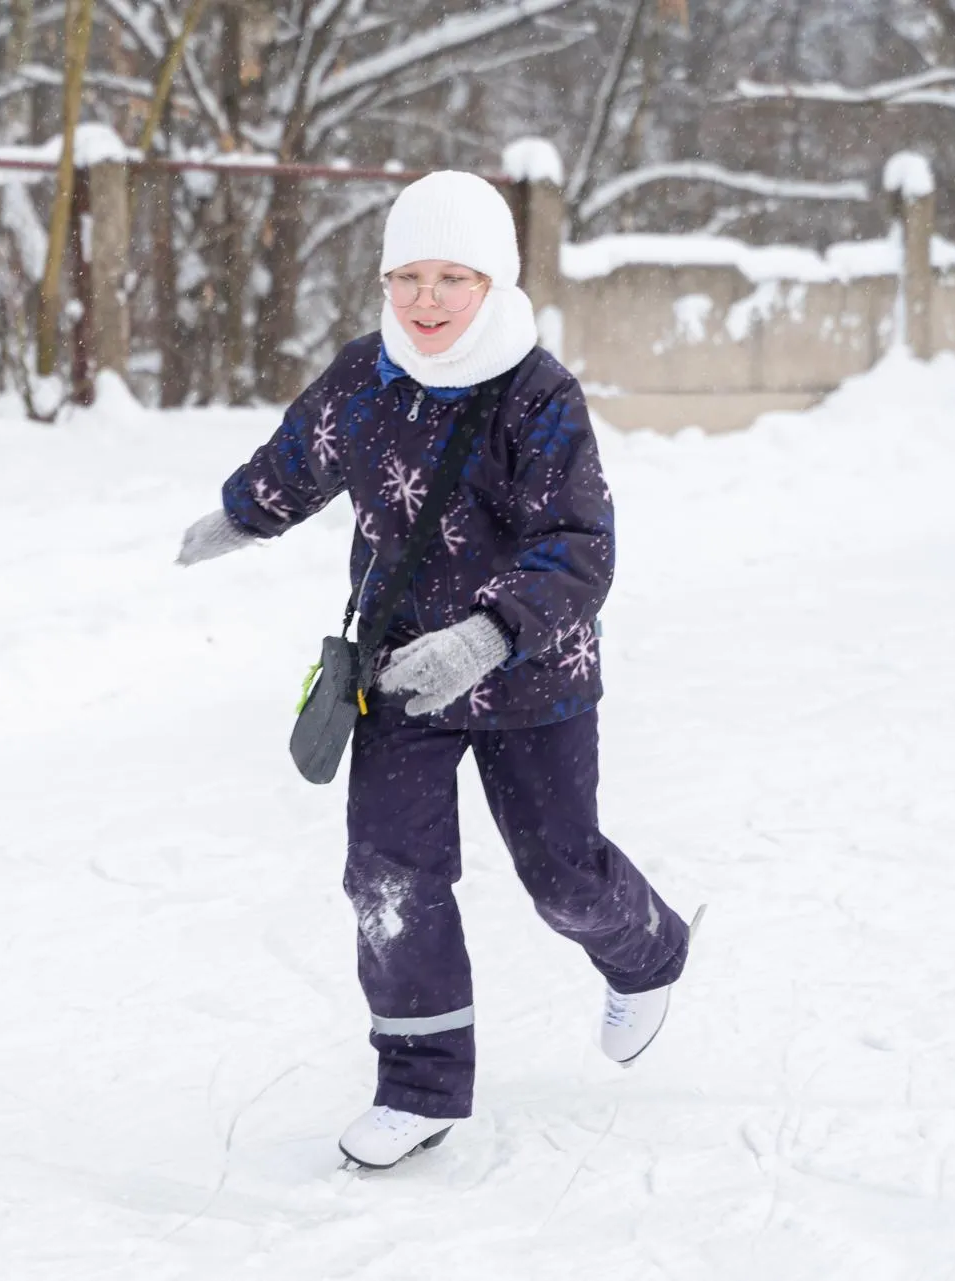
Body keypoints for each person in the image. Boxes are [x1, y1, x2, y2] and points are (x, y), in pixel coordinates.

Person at [175, 170, 699, 1171]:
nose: (425, 299)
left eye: (452, 277)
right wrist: (243, 513)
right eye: (407, 276)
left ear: (493, 282)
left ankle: (649, 951)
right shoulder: (365, 375)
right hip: (400, 669)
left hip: (533, 675)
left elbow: (580, 546)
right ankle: (417, 1086)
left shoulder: (539, 395)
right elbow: (303, 453)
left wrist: (489, 635)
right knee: (388, 875)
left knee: (560, 874)